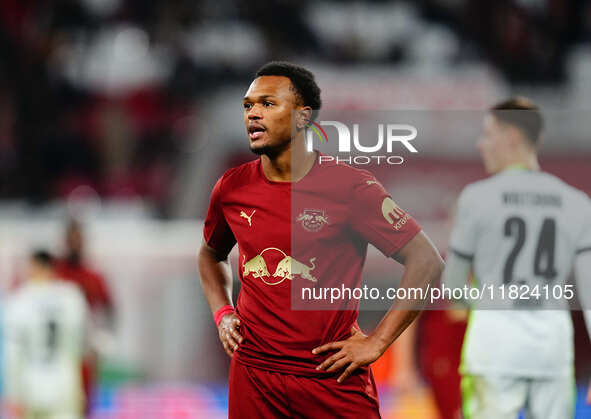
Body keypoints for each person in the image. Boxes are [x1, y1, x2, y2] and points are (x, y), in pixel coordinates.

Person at [198, 61, 444, 418]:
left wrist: (377, 342)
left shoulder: (351, 188)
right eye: (248, 105)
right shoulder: (232, 187)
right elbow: (210, 254)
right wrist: (223, 313)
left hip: (331, 376)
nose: (253, 114)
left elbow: (426, 260)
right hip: (254, 376)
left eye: (268, 104)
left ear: (302, 116)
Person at [442, 97, 591, 419]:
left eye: (488, 134)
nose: (482, 145)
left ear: (511, 136)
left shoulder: (476, 198)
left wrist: (482, 303)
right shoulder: (576, 202)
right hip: (552, 352)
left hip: (492, 350)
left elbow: (452, 285)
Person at [2, 250, 88, 419]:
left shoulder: (20, 300)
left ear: (33, 267)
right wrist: (80, 388)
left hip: (32, 385)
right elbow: (79, 348)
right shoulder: (71, 297)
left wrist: (13, 395)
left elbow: (13, 354)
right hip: (65, 384)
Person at [54, 218, 113, 414]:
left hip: (83, 352)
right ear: (65, 241)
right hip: (58, 354)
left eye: (78, 238)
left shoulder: (93, 277)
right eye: (72, 239)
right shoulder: (55, 274)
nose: (75, 243)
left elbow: (110, 308)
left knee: (84, 404)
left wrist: (104, 339)